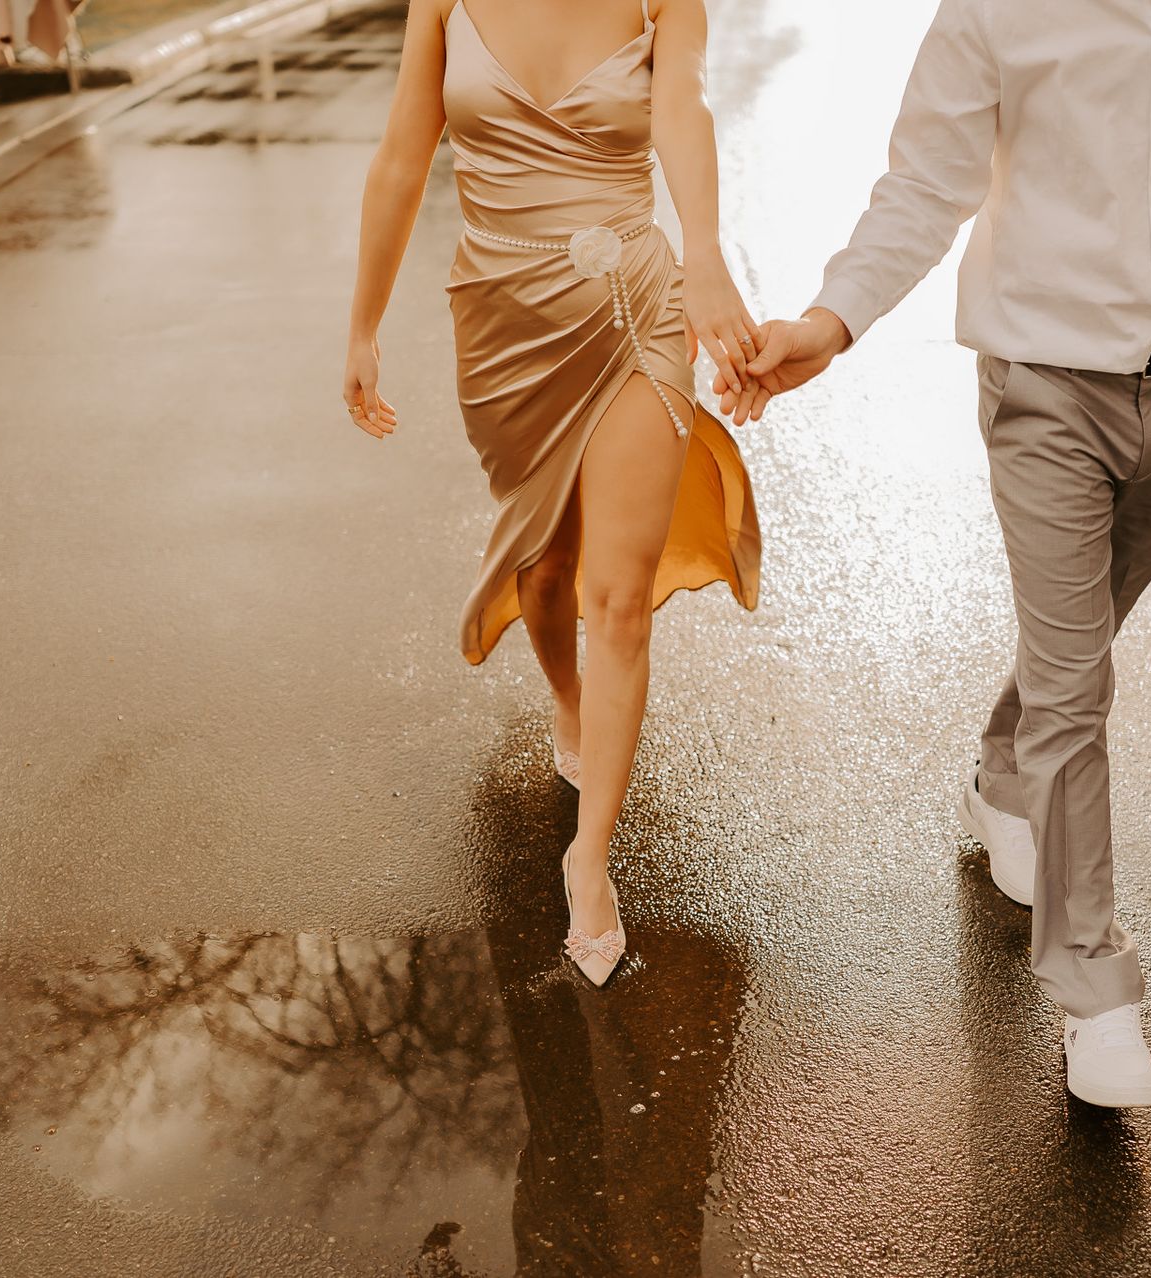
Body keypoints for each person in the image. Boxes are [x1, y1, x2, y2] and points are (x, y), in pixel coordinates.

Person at [718, 0, 1151, 1107]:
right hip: (1046, 384)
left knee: (1082, 636)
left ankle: (1002, 780)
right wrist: (832, 320)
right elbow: (926, 183)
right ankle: (1095, 990)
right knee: (1076, 682)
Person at [344, 0, 765, 987]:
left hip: (634, 309)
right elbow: (405, 154)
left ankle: (591, 854)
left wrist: (702, 256)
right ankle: (568, 703)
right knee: (545, 567)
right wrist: (361, 328)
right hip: (502, 321)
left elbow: (683, 111)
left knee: (617, 601)